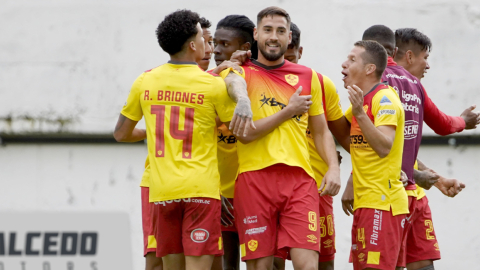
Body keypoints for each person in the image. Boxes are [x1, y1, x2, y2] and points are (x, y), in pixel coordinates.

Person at [113, 9, 253, 270]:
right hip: (201, 191)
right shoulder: (211, 86)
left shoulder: (145, 81)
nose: (207, 44)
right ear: (192, 45)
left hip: (162, 191)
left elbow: (121, 133)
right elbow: (236, 128)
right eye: (203, 37)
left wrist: (156, 130)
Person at [219, 6, 341, 270]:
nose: (274, 36)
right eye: (268, 30)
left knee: (307, 263)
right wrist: (281, 109)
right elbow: (247, 133)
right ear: (256, 34)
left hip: (300, 181)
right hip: (254, 180)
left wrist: (333, 168)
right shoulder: (239, 71)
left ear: (289, 39)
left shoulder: (308, 76)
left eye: (280, 31)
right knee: (261, 266)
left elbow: (321, 131)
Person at [273, 22, 350, 270]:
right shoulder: (260, 82)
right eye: (282, 56)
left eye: (291, 55)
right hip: (274, 187)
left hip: (317, 188)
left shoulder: (320, 84)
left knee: (323, 263)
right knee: (273, 262)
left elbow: (347, 139)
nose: (286, 63)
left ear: (300, 51)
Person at [342, 40, 408, 270]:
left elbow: (384, 147)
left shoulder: (384, 99)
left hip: (382, 204)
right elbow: (337, 129)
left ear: (370, 69)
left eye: (352, 60)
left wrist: (360, 114)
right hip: (367, 203)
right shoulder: (361, 101)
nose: (343, 64)